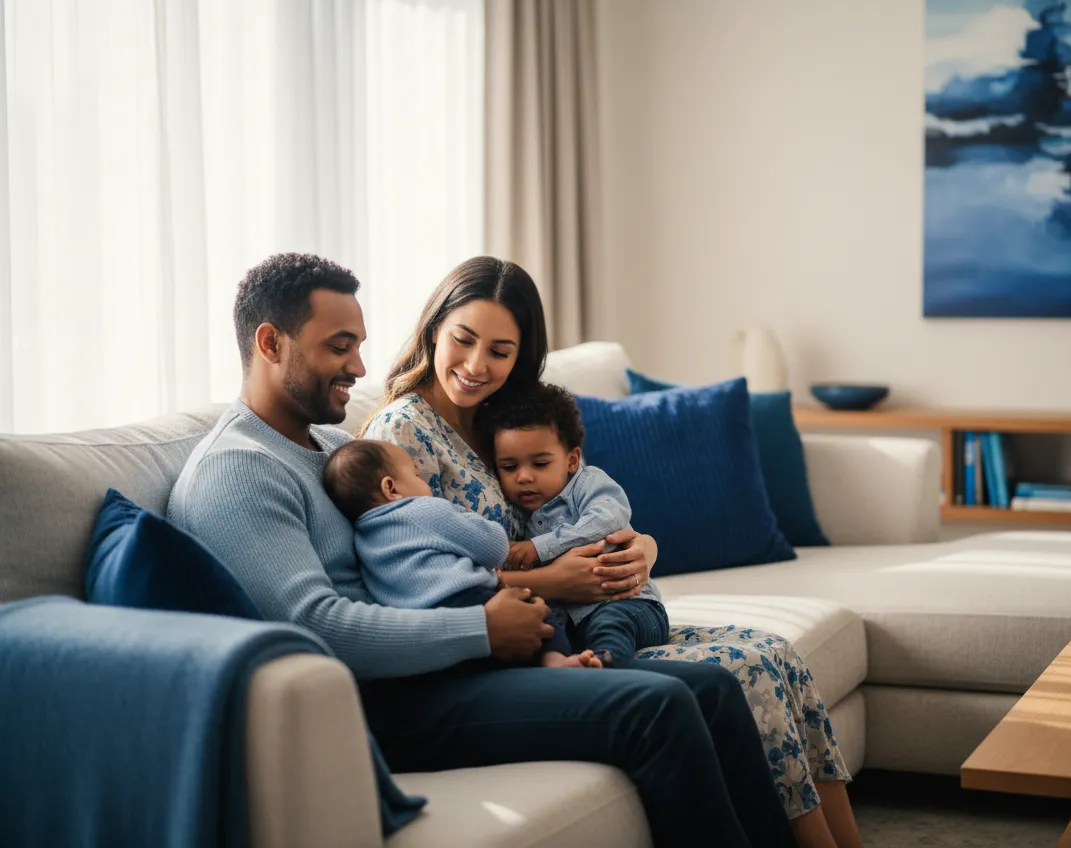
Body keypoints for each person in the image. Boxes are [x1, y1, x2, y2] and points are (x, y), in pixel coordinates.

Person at [167, 252, 811, 848]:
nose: (360, 368)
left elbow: (415, 564)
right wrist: (481, 627)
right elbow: (315, 628)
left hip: (440, 669)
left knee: (711, 687)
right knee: (657, 708)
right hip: (385, 703)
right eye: (340, 347)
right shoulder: (237, 470)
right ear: (270, 343)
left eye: (359, 346)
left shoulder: (333, 448)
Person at [361, 255, 863, 848]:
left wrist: (645, 548)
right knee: (743, 671)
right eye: (463, 340)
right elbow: (421, 581)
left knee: (776, 654)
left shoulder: (500, 417)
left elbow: (584, 502)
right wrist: (558, 582)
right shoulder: (401, 435)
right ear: (432, 330)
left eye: (500, 351)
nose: (476, 365)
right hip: (544, 637)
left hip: (592, 608)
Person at [322, 438, 601, 668]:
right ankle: (556, 662)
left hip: (420, 626)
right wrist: (466, 517)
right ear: (391, 488)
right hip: (465, 601)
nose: (424, 483)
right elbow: (495, 548)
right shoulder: (423, 509)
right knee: (538, 612)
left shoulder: (362, 539)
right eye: (416, 475)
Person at [476, 381, 669, 667]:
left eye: (540, 464)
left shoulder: (587, 483)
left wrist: (540, 546)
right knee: (545, 628)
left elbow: (609, 518)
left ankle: (607, 664)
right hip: (570, 620)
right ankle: (572, 664)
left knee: (609, 623)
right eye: (509, 467)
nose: (524, 477)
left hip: (629, 604)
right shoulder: (515, 512)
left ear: (571, 460)